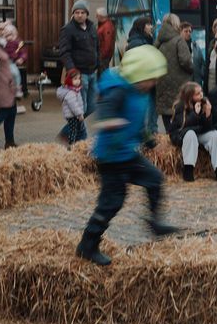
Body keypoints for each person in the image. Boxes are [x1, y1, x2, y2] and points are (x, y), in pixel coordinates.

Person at [76, 45, 178, 266]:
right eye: (151, 78)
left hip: (127, 154)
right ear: (138, 75)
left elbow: (137, 121)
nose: (154, 83)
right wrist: (113, 122)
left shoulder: (139, 91)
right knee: (112, 203)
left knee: (155, 179)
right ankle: (87, 245)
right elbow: (103, 117)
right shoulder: (117, 89)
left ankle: (155, 223)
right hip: (111, 157)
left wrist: (149, 140)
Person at [168, 82, 217, 182]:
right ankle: (188, 170)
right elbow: (183, 126)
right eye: (197, 93)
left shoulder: (204, 103)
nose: (201, 95)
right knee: (190, 134)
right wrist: (195, 114)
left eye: (201, 92)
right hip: (181, 135)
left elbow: (207, 127)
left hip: (198, 133)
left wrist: (208, 114)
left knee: (214, 135)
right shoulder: (180, 106)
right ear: (190, 96)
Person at [58, 0, 101, 125]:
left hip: (92, 72)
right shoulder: (68, 29)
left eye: (82, 12)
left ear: (87, 14)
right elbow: (64, 52)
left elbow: (97, 47)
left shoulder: (92, 27)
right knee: (80, 108)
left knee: (92, 107)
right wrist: (71, 70)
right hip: (79, 74)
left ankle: (73, 129)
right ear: (73, 14)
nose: (80, 15)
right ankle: (72, 133)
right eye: (77, 12)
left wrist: (98, 63)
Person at [155, 13, 194, 133]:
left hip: (162, 84)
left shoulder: (158, 42)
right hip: (179, 85)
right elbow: (186, 62)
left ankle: (169, 137)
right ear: (175, 24)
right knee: (181, 118)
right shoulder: (179, 41)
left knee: (167, 116)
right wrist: (192, 68)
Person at [57, 69, 87, 147]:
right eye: (75, 79)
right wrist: (80, 114)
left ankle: (79, 143)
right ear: (69, 80)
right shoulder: (70, 92)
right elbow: (73, 106)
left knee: (78, 128)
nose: (78, 81)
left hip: (74, 114)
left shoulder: (75, 89)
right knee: (73, 130)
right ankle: (71, 145)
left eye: (79, 79)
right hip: (72, 115)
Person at [0, 22, 27, 99]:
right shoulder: (3, 42)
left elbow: (23, 51)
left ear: (14, 34)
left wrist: (21, 58)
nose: (8, 37)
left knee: (15, 73)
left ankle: (18, 89)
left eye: (10, 35)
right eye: (6, 35)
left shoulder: (18, 42)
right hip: (3, 62)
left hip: (11, 62)